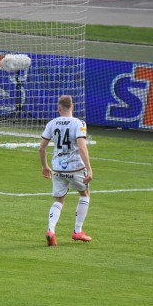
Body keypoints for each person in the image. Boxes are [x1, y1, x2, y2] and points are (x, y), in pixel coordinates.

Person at [38, 95, 93, 246]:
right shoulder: (79, 123)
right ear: (72, 107)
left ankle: (51, 230)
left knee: (59, 200)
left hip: (57, 168)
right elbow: (82, 147)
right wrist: (89, 169)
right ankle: (78, 231)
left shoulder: (52, 123)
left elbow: (41, 148)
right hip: (75, 167)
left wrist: (45, 166)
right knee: (85, 194)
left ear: (59, 108)